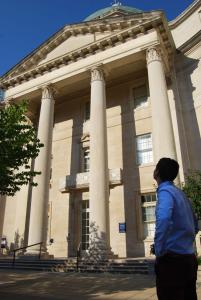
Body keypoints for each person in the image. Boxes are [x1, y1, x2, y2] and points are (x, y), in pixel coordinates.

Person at [153, 157, 199, 300]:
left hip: (172, 261)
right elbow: (195, 222)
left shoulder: (165, 192)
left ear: (157, 172)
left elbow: (164, 219)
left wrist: (159, 249)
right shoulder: (181, 193)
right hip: (189, 258)